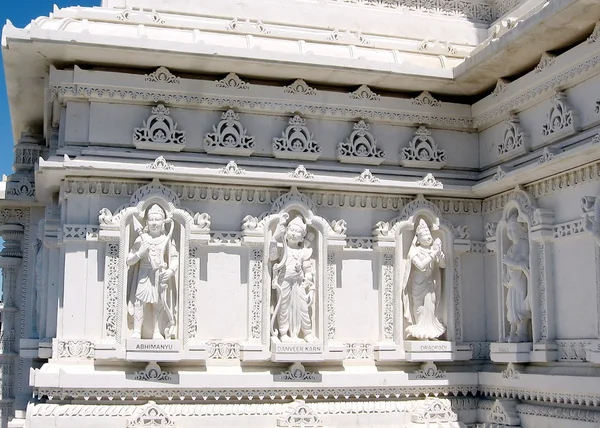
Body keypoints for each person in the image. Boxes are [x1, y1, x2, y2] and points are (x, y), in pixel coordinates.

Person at [126, 204, 179, 340]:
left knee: (159, 302)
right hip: (144, 273)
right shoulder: (141, 239)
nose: (154, 223)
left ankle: (157, 331)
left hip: (159, 274)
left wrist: (171, 270)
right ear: (147, 222)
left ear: (163, 222)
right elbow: (129, 260)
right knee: (140, 301)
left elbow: (174, 258)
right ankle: (137, 331)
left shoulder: (166, 239)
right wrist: (139, 253)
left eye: (157, 220)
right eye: (151, 220)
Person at [270, 214, 316, 343]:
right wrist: (274, 237)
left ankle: (307, 333)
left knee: (302, 308)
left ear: (302, 237)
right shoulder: (283, 248)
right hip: (283, 280)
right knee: (283, 307)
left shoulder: (303, 252)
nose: (294, 234)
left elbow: (308, 272)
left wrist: (307, 282)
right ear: (286, 231)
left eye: (298, 232)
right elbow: (272, 257)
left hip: (298, 281)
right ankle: (283, 333)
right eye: (292, 230)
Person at [402, 219, 446, 340]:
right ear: (418, 238)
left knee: (431, 305)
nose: (428, 237)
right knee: (419, 306)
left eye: (429, 235)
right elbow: (421, 265)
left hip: (430, 283)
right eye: (425, 235)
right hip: (418, 283)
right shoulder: (414, 251)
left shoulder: (433, 250)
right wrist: (433, 254)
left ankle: (430, 332)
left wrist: (440, 255)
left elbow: (442, 265)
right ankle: (420, 334)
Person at [502, 214, 531, 343]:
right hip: (512, 282)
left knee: (520, 305)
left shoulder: (524, 244)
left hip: (521, 280)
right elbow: (508, 266)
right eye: (508, 230)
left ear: (521, 230)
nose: (510, 233)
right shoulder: (510, 248)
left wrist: (512, 263)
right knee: (511, 304)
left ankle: (522, 332)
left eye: (513, 229)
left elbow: (525, 264)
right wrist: (505, 277)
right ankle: (512, 331)